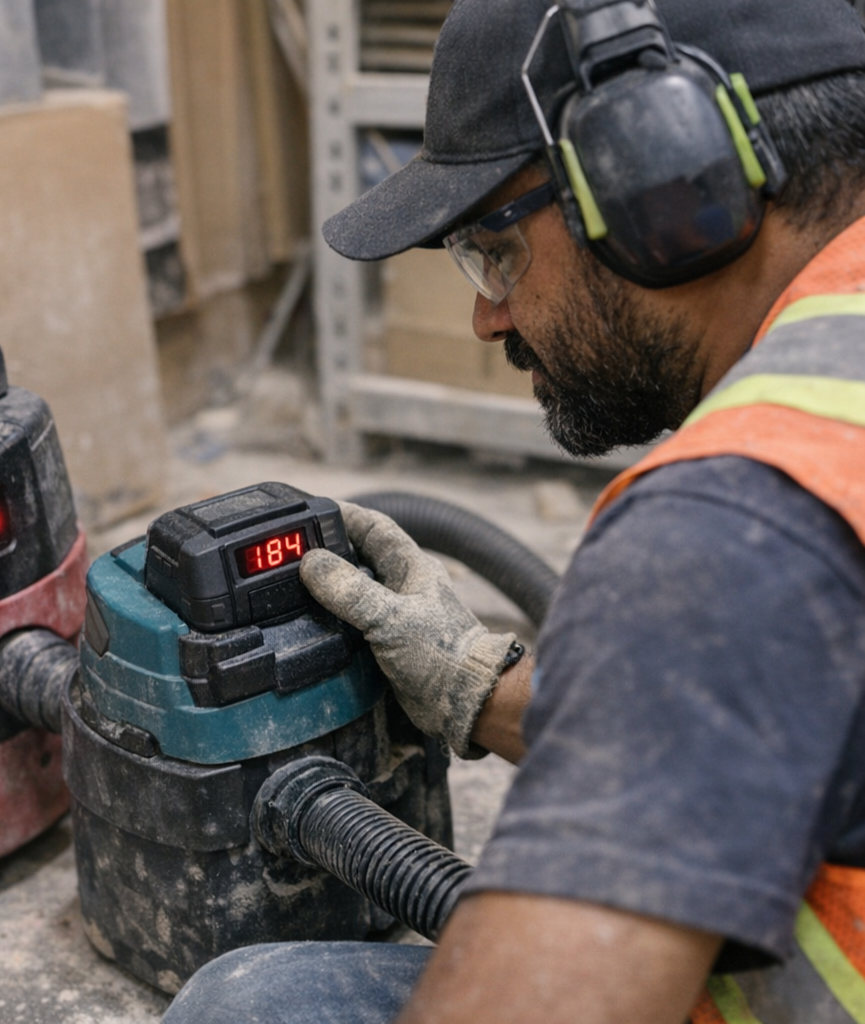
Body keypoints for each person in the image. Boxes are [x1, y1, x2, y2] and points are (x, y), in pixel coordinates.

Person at [162, 0, 865, 1021]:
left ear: (655, 176)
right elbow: (789, 694)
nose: (487, 316)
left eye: (493, 249)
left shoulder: (738, 517)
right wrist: (475, 684)